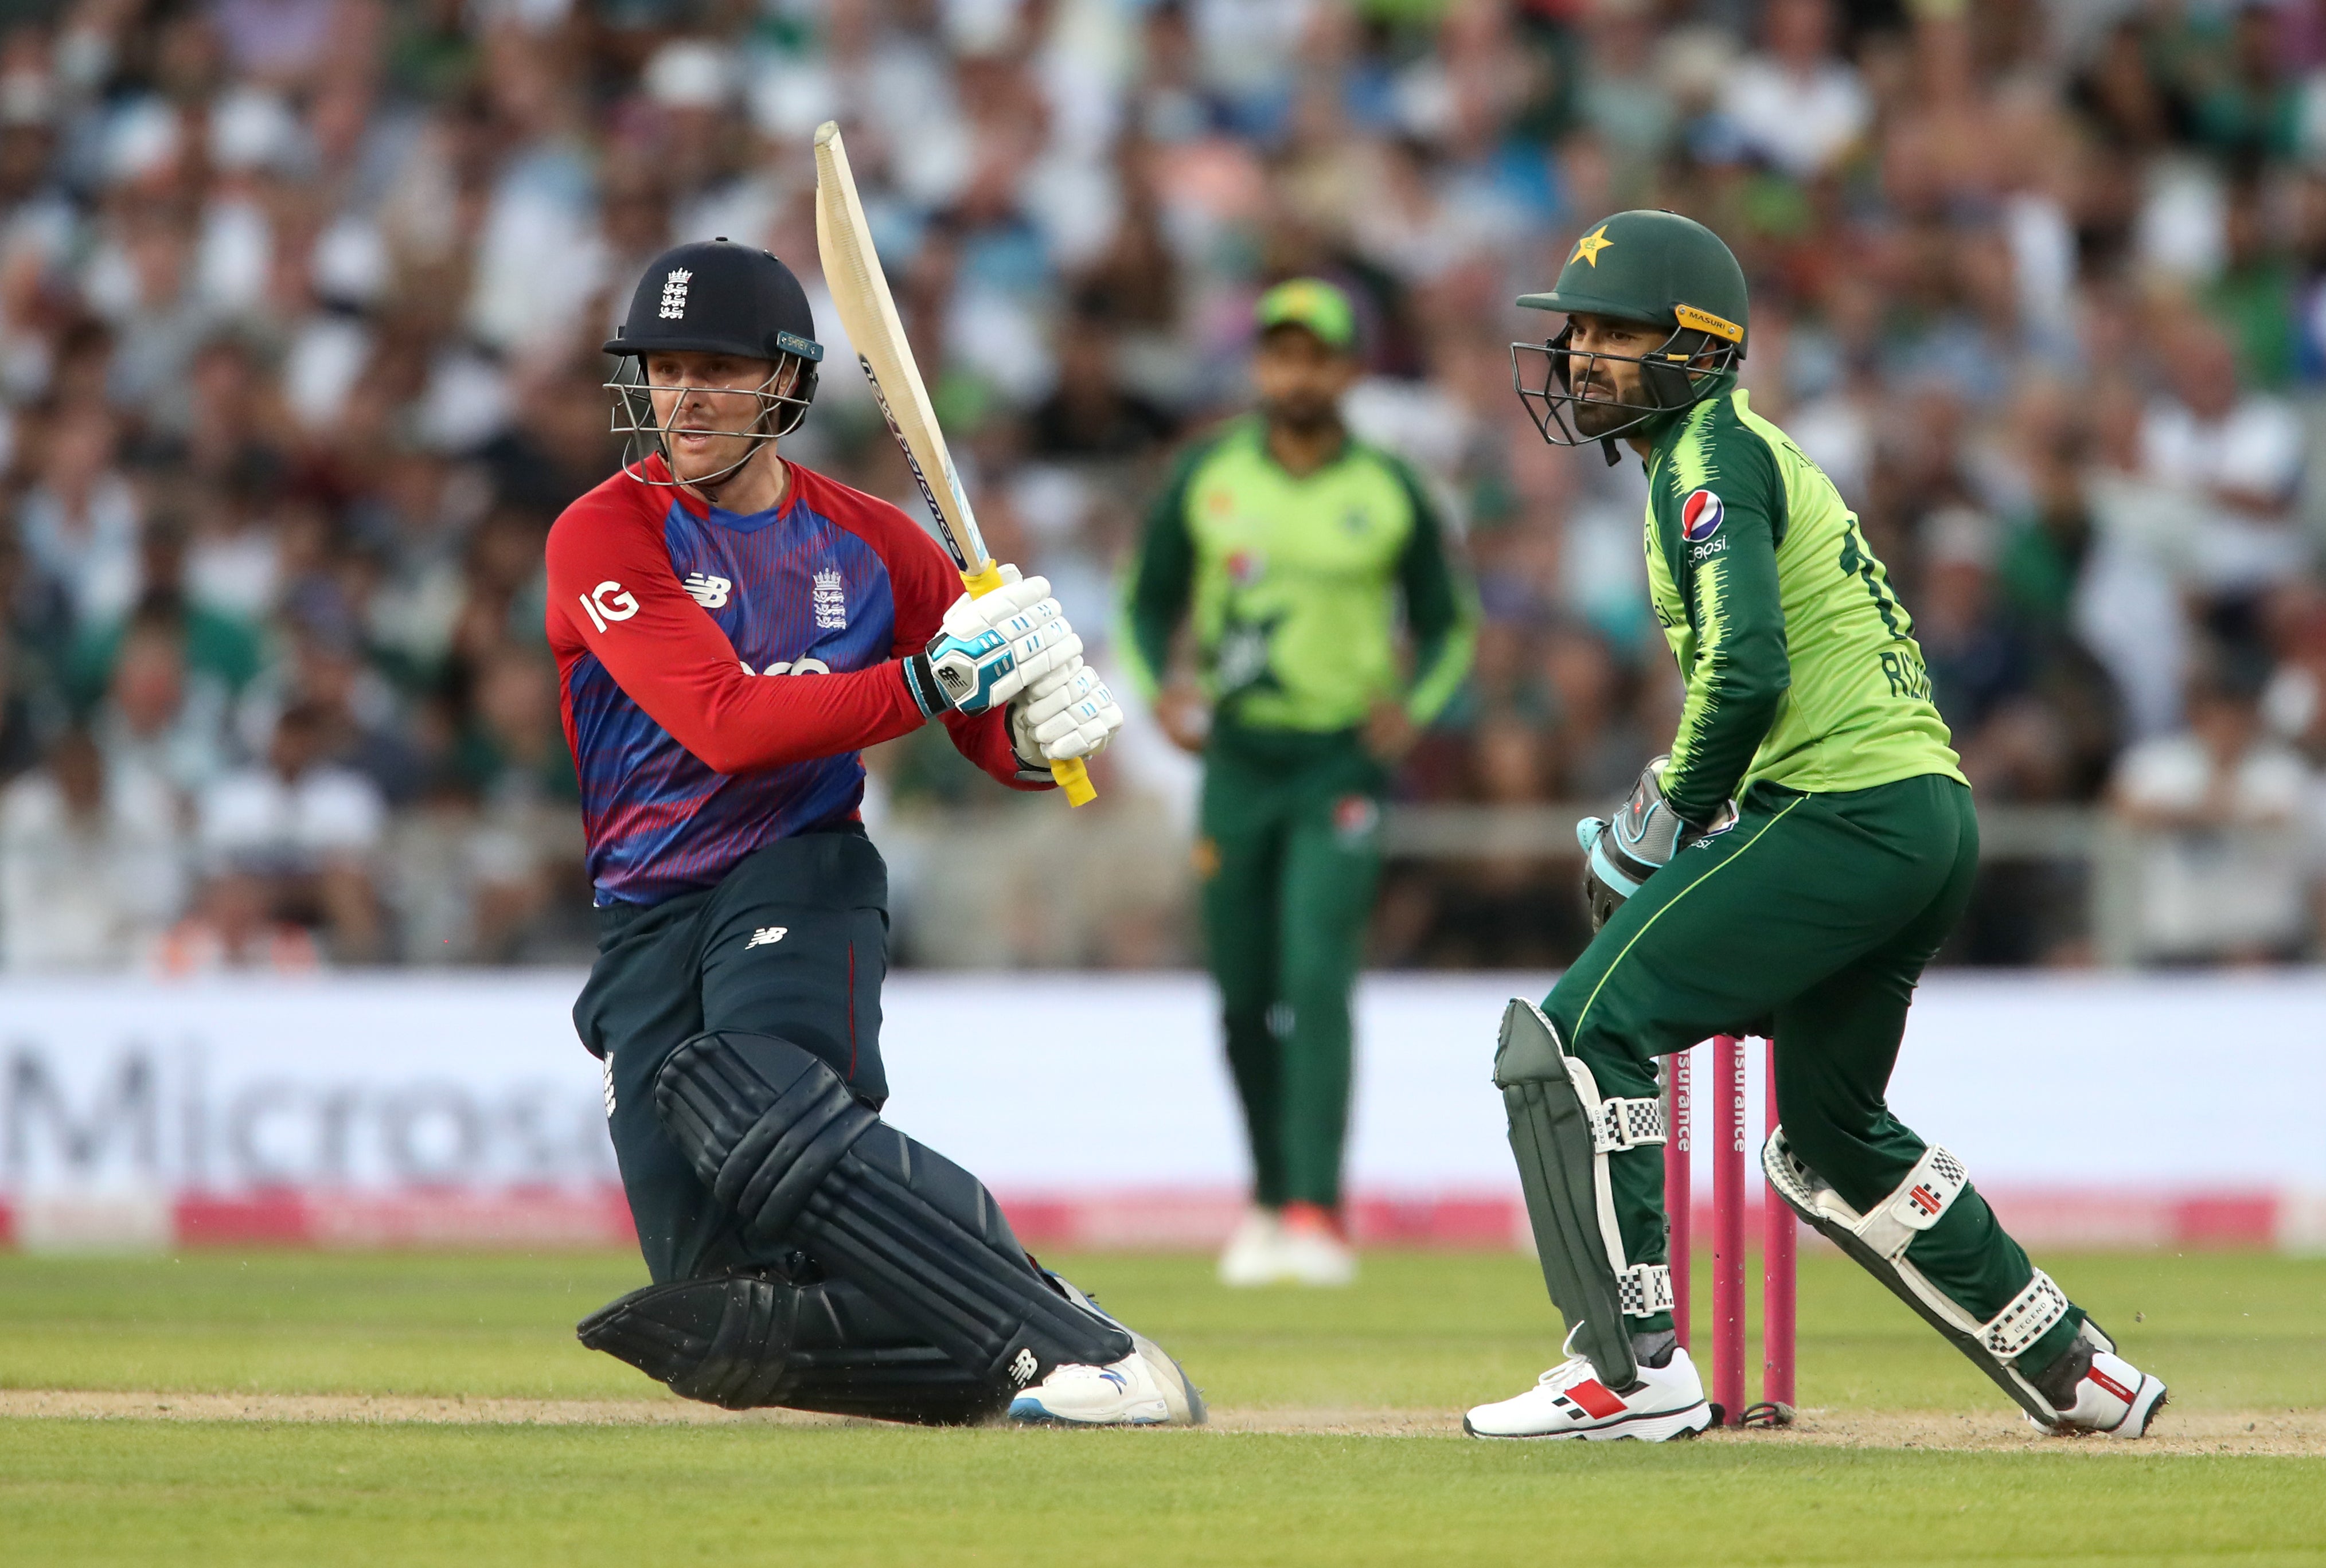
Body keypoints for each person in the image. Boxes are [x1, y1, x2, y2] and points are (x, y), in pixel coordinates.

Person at [1465, 211, 2168, 1441]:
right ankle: (2075, 1367)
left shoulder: (1707, 456)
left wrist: (1654, 825)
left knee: (1580, 1031)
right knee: (1827, 1135)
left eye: (1611, 333)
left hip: (1848, 814)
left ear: (1694, 346)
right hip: (1919, 820)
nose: (1577, 357)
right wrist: (1680, 810)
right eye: (1573, 331)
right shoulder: (1722, 453)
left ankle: (1631, 1372)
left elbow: (1744, 672)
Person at [551, 239, 1200, 1428]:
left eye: (717, 368)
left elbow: (991, 745)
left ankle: (1071, 1348)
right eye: (662, 367)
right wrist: (937, 680)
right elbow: (725, 723)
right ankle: (1036, 1332)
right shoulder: (603, 536)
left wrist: (1039, 721)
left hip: (800, 874)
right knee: (723, 1304)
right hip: (644, 914)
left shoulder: (877, 546)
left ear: (785, 388)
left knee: (750, 1099)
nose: (682, 395)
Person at [1119, 278, 1478, 1287]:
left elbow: (1449, 624)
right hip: (1237, 760)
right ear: (1259, 366)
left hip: (1338, 764)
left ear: (1349, 370)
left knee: (1314, 976)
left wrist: (1414, 707)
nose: (1297, 372)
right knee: (1240, 994)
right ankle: (1270, 1200)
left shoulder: (1392, 489)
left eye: (1316, 354)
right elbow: (1142, 609)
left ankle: (1316, 1207)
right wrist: (1162, 694)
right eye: (1279, 353)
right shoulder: (1208, 476)